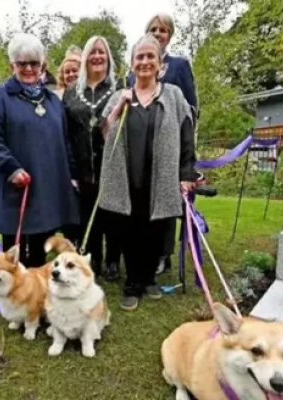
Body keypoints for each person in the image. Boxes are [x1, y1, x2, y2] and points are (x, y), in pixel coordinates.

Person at [99, 34, 201, 311]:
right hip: (127, 176)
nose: (144, 62)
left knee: (156, 229)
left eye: (150, 57)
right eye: (139, 57)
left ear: (160, 65)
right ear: (131, 64)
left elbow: (186, 135)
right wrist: (120, 106)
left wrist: (187, 173)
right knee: (130, 230)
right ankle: (132, 283)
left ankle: (148, 279)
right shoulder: (121, 95)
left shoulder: (174, 95)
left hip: (161, 175)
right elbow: (105, 131)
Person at [0, 33, 79, 267]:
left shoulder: (53, 101)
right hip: (14, 181)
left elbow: (64, 141)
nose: (28, 68)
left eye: (34, 63)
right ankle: (8, 288)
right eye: (22, 63)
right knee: (13, 247)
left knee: (39, 241)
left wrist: (72, 175)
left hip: (45, 185)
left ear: (43, 66)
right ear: (12, 65)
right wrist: (11, 168)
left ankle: (34, 289)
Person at [136, 13, 201, 275]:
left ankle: (164, 254)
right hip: (142, 145)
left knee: (166, 200)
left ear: (170, 35)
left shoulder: (179, 66)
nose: (158, 33)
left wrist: (186, 154)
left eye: (163, 30)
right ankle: (140, 249)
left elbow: (191, 109)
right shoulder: (139, 63)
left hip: (170, 145)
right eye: (153, 29)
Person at [63, 36, 121, 281]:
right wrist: (71, 170)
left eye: (102, 52)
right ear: (85, 58)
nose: (98, 56)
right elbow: (65, 133)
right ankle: (94, 257)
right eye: (93, 52)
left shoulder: (120, 89)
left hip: (113, 166)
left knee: (114, 216)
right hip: (83, 167)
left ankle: (113, 261)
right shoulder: (71, 93)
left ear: (108, 58)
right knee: (90, 216)